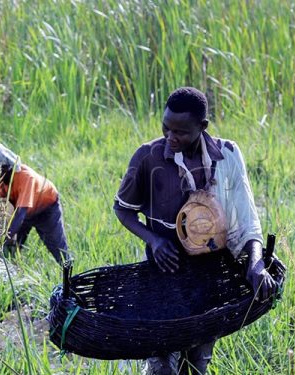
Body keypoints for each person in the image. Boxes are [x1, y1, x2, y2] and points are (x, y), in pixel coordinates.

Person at [113, 87, 276, 374]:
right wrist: (154, 241)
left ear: (203, 127)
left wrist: (256, 264)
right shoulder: (147, 158)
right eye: (166, 128)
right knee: (162, 364)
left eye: (181, 132)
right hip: (162, 274)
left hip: (208, 279)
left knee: (197, 361)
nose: (170, 137)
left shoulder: (226, 155)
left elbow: (248, 219)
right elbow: (122, 209)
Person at [0, 143, 70, 265]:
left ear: (7, 169)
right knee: (12, 252)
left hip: (46, 209)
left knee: (58, 250)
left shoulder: (26, 177)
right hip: (22, 211)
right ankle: (11, 275)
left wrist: (2, 241)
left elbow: (20, 214)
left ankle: (70, 277)